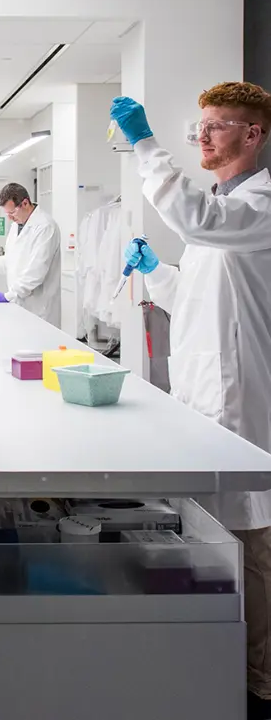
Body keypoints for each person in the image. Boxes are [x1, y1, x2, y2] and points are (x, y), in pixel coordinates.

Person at [112, 83, 271, 719]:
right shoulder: (223, 207)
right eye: (197, 127)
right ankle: (212, 662)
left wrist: (145, 143)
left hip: (243, 397)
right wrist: (156, 273)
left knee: (249, 540)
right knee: (212, 540)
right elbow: (197, 302)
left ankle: (259, 681)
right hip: (205, 393)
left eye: (217, 126)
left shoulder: (259, 206)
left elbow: (199, 223)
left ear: (253, 134)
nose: (202, 136)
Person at [0, 182, 61, 327]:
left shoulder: (45, 226)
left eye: (12, 213)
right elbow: (11, 263)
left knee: (38, 346)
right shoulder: (16, 225)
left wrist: (8, 296)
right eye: (7, 214)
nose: (9, 218)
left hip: (39, 307)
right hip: (20, 304)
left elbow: (35, 273)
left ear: (25, 203)